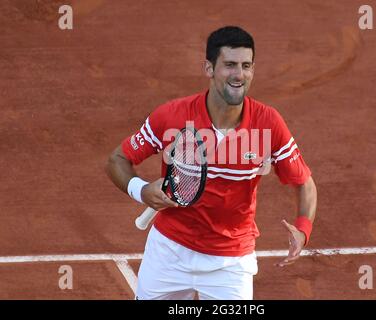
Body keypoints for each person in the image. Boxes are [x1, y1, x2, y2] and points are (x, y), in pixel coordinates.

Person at [106, 26, 317, 300]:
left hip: (230, 264)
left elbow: (305, 183)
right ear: (209, 68)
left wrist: (302, 230)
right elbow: (117, 159)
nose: (239, 75)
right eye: (229, 65)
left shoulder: (269, 124)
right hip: (169, 252)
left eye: (246, 66)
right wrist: (141, 190)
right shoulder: (172, 116)